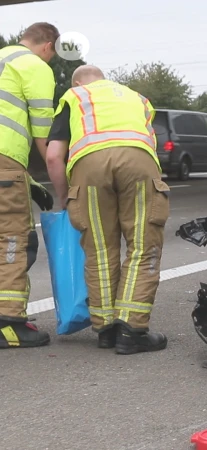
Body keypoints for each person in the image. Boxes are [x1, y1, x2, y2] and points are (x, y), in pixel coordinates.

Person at [45, 65, 170, 354]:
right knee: (142, 245)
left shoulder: (74, 96)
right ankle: (132, 329)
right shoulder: (137, 98)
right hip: (138, 162)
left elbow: (53, 156)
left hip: (88, 168)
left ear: (78, 81)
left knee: (99, 249)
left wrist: (64, 197)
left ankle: (105, 330)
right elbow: (150, 140)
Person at [0, 22, 59, 349]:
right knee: (13, 239)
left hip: (6, 167)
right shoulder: (33, 65)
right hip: (4, 160)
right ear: (47, 46)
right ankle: (8, 323)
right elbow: (43, 136)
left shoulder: (4, 59)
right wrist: (60, 176)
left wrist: (30, 182)